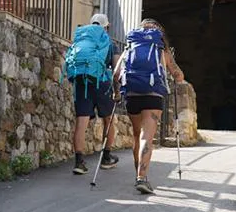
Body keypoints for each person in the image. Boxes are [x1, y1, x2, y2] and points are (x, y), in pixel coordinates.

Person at [113, 18, 185, 194]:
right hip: (153, 96)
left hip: (132, 95)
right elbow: (179, 76)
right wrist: (172, 70)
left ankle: (138, 174)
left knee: (137, 136)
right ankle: (142, 177)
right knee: (147, 137)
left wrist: (116, 94)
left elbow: (116, 74)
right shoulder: (162, 50)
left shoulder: (130, 47)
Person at [65, 13, 121, 175]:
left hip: (82, 82)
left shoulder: (81, 39)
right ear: (106, 27)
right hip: (102, 83)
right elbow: (116, 71)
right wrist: (117, 91)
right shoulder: (110, 43)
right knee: (108, 120)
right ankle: (106, 158)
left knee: (81, 122)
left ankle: (79, 162)